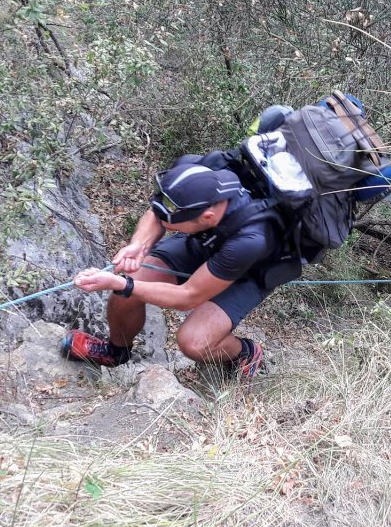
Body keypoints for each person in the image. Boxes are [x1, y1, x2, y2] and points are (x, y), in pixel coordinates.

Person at [62, 159, 296, 381]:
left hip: (252, 270)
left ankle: (244, 352)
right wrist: (139, 245)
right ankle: (116, 352)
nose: (163, 223)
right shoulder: (199, 172)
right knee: (131, 284)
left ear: (207, 216)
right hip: (206, 241)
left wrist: (120, 284)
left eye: (171, 220)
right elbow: (157, 211)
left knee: (194, 342)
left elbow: (188, 296)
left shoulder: (252, 239)